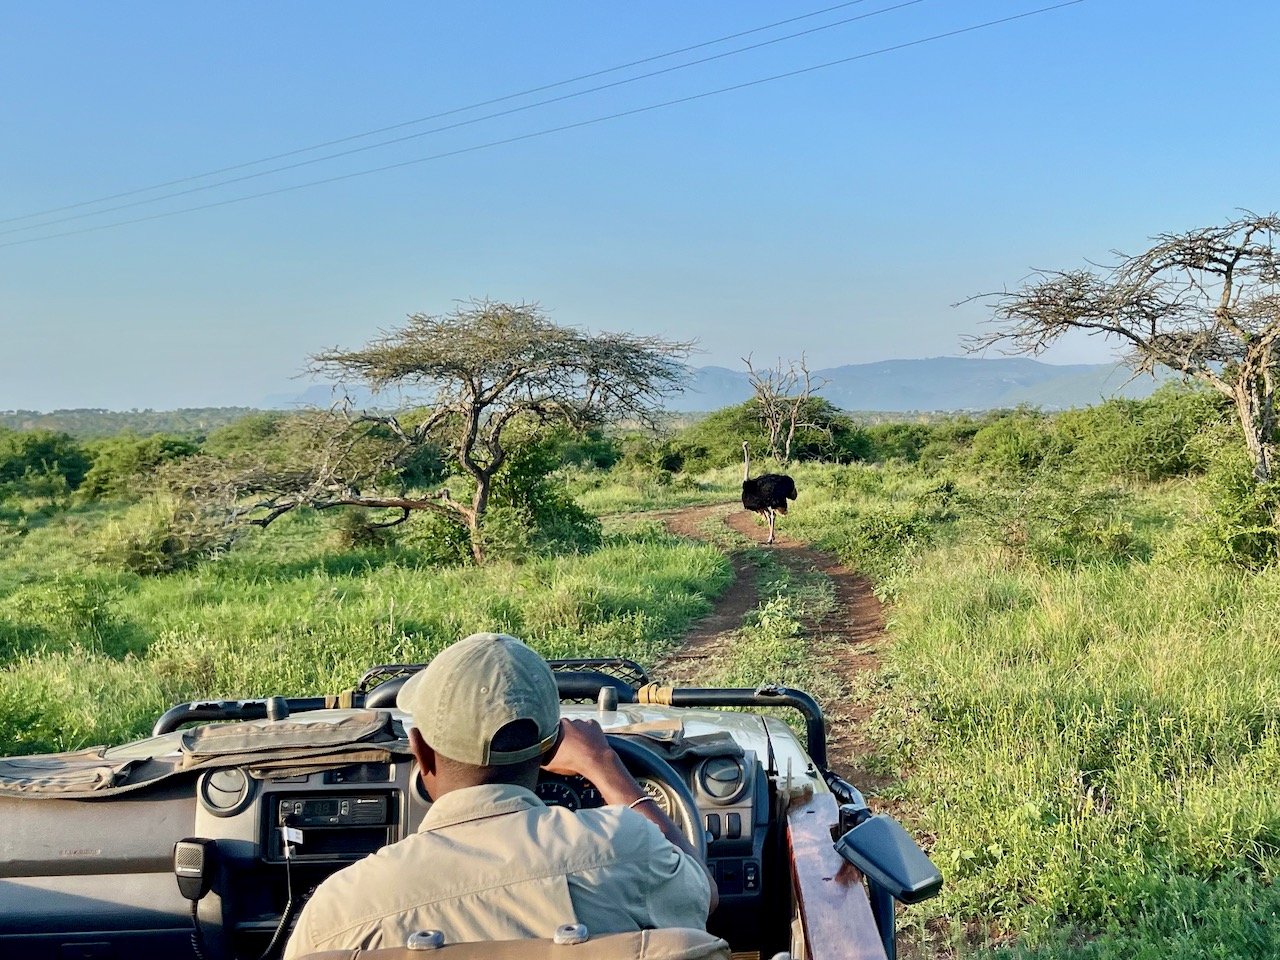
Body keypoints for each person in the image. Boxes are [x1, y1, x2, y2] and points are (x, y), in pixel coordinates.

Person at [283, 632, 717, 958]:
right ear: (550, 747)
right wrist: (605, 767)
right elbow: (703, 894)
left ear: (421, 753)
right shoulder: (627, 845)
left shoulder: (336, 912)